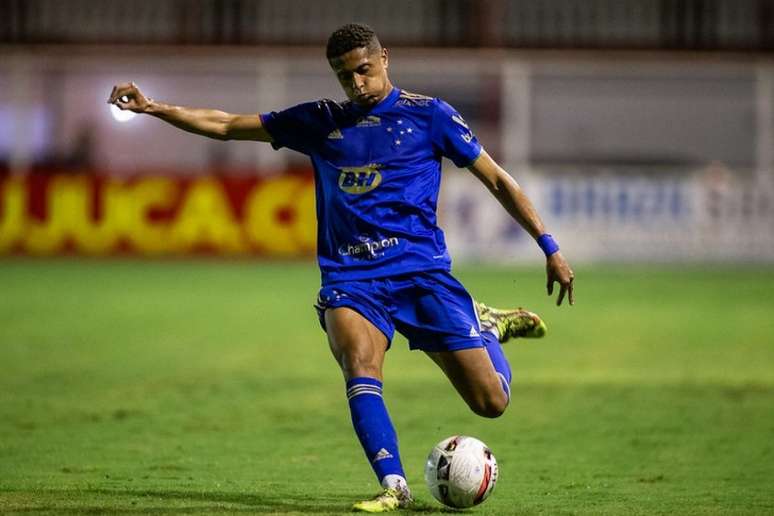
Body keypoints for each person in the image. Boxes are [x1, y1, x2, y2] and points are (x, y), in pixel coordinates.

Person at [108, 23, 574, 513]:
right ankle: (394, 485)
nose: (356, 84)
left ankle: (485, 326)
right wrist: (154, 107)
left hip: (421, 274)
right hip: (351, 279)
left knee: (491, 403)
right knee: (360, 365)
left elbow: (498, 179)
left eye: (364, 70)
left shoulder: (429, 116)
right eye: (344, 75)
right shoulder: (320, 121)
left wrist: (550, 246)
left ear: (385, 59)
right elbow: (226, 125)